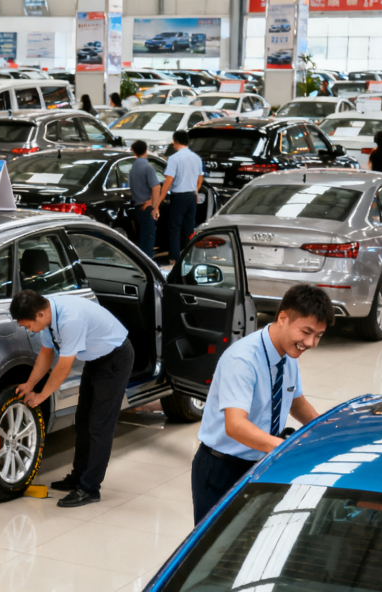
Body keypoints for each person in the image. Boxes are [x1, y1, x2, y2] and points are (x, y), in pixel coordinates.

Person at [190, 284, 332, 524]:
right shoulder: (243, 360)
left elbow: (296, 402)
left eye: (318, 336)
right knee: (219, 543)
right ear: (283, 318)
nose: (310, 342)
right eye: (306, 332)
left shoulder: (288, 355)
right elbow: (235, 426)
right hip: (223, 468)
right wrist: (286, 448)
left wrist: (328, 432)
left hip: (262, 462)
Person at [10, 290, 134, 508]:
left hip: (115, 359)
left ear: (39, 315)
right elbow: (46, 354)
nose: (29, 330)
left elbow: (63, 367)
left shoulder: (70, 319)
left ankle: (90, 488)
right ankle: (79, 477)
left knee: (100, 425)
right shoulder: (49, 316)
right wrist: (30, 384)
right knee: (83, 421)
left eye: (28, 326)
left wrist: (41, 396)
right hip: (95, 360)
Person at [158, 129, 203, 264]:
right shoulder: (196, 158)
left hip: (178, 198)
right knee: (189, 229)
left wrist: (159, 201)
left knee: (175, 228)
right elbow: (199, 180)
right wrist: (195, 191)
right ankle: (188, 257)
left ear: (175, 141)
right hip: (191, 197)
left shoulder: (174, 158)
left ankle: (174, 258)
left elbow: (168, 181)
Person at [128, 140, 161, 258]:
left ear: (134, 152)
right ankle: (148, 261)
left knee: (143, 236)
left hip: (138, 206)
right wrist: (154, 206)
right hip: (147, 208)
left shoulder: (132, 169)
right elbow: (156, 187)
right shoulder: (147, 167)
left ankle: (142, 260)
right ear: (146, 150)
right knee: (149, 237)